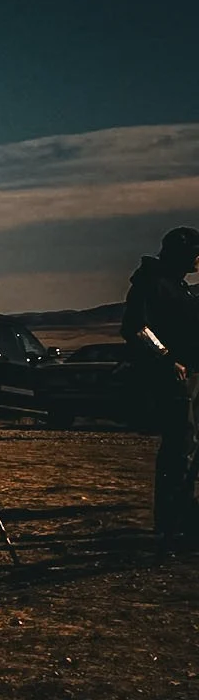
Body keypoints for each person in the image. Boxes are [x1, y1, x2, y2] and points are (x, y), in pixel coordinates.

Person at [122, 225, 199, 540]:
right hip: (172, 378)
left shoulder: (175, 285)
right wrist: (168, 359)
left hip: (186, 375)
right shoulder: (151, 283)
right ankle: (171, 521)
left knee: (188, 447)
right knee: (179, 448)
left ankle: (181, 514)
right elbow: (136, 327)